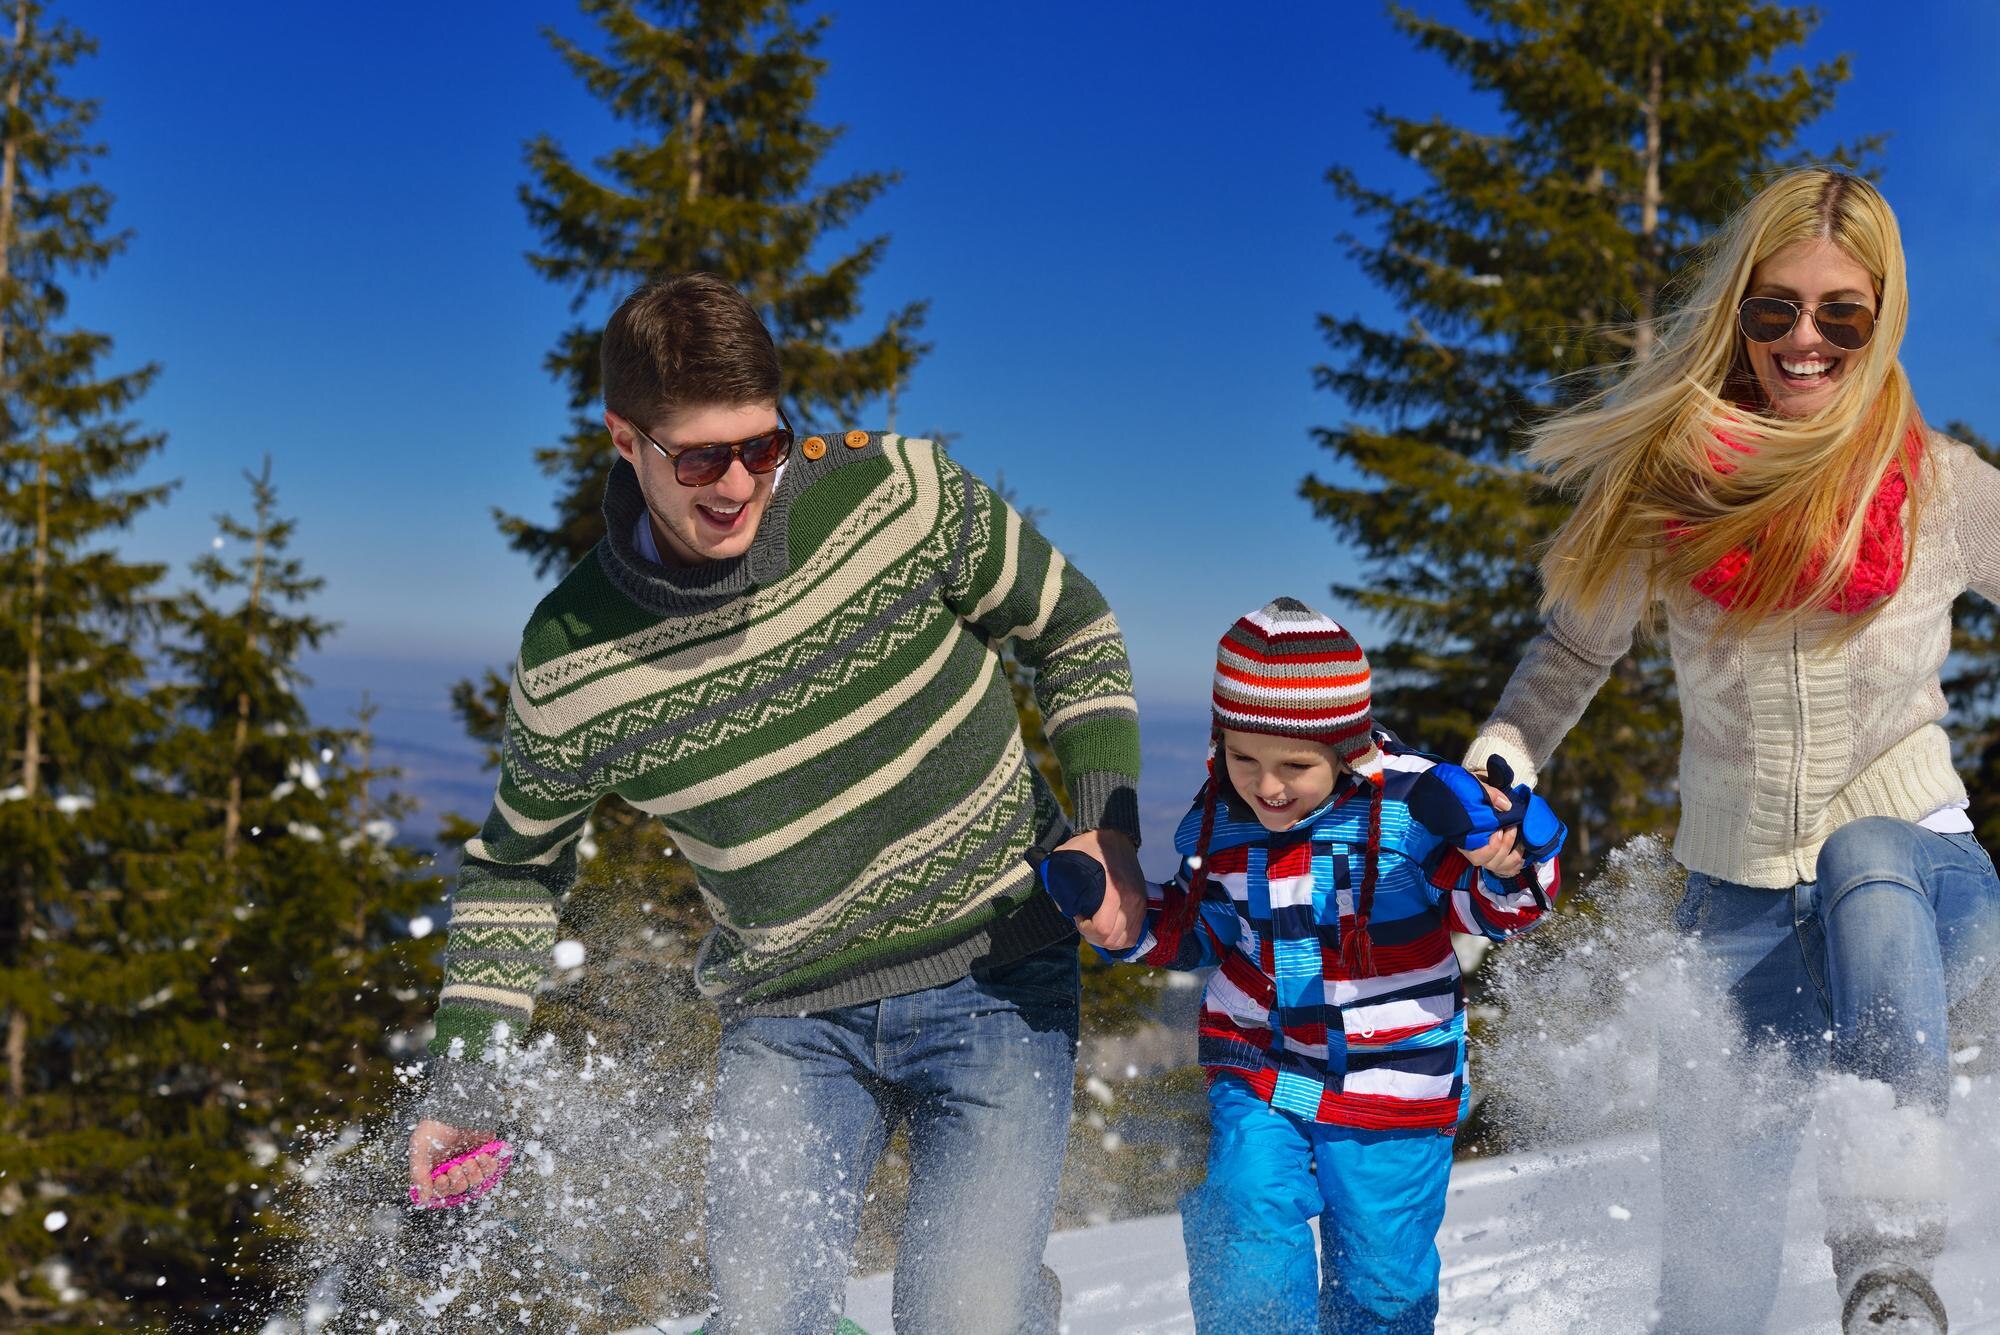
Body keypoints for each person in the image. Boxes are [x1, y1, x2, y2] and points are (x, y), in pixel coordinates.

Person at [404, 272, 1147, 1334]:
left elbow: (1070, 627)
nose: (738, 484)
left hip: (996, 974)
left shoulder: (899, 495)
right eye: (700, 456)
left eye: (763, 446)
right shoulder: (575, 658)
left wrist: (1108, 825)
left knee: (967, 1318)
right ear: (625, 440)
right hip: (789, 1016)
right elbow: (516, 872)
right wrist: (464, 1085)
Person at [1465, 169, 2000, 1334]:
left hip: (1917, 885)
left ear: (1880, 317)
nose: (1802, 341)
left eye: (1837, 315)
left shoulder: (1944, 492)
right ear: (1738, 315)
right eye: (1773, 310)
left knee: (1865, 855)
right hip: (1738, 911)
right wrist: (1503, 752)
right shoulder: (1665, 490)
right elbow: (1567, 654)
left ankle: (1889, 1264)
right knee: (1710, 1281)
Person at [1042, 598, 1566, 1334]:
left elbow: (1498, 913)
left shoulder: (1417, 806)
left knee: (1382, 1287)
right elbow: (1207, 931)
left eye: (1295, 765)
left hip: (1394, 1084)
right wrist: (1127, 923)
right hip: (1264, 1065)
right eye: (1243, 757)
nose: (1267, 786)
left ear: (1346, 747)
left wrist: (1511, 857)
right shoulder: (1222, 820)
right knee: (1245, 1217)